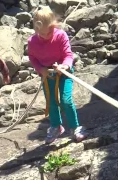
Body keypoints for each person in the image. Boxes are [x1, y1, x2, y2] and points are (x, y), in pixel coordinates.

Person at [27, 5, 88, 144]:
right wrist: (40, 69)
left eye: (48, 32)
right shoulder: (32, 42)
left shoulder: (60, 35)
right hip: (47, 74)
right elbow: (33, 58)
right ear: (36, 29)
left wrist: (64, 66)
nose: (45, 36)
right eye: (41, 34)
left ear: (53, 25)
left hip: (64, 71)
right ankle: (56, 126)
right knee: (52, 102)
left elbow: (68, 54)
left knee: (66, 100)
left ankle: (75, 127)